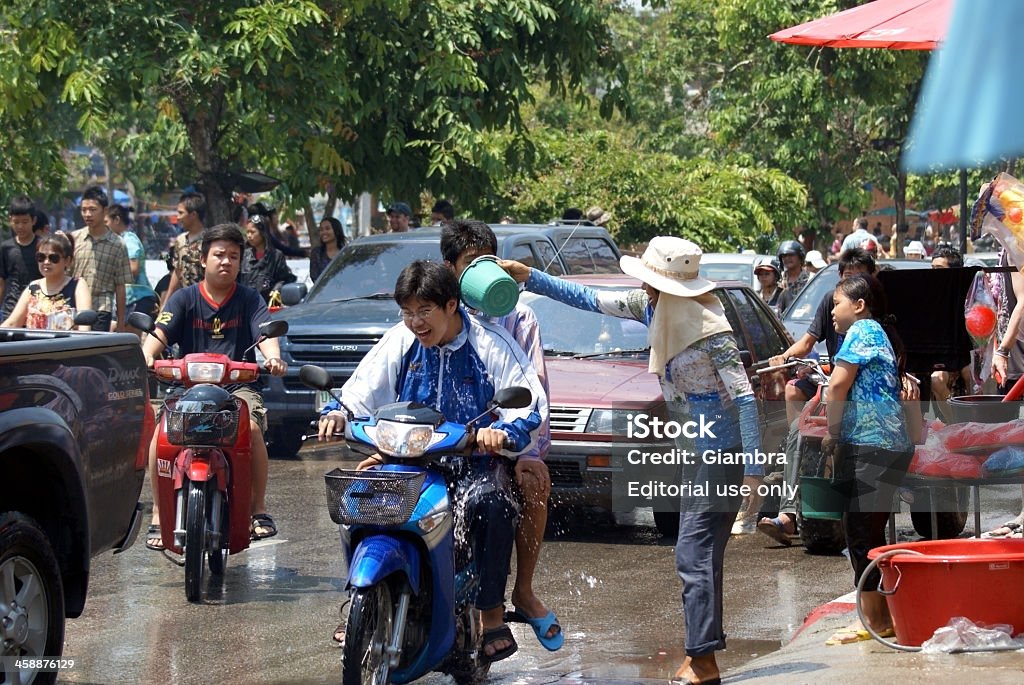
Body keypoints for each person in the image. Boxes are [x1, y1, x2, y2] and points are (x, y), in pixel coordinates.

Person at [499, 237, 760, 685]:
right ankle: (702, 656)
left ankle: (704, 661)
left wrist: (754, 470)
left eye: (651, 281)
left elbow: (746, 399)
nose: (644, 287)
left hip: (718, 453)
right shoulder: (652, 309)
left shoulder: (712, 333)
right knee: (702, 556)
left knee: (693, 553)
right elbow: (589, 299)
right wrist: (531, 277)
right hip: (693, 449)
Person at [317, 260, 548, 664]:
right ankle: (361, 600)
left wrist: (503, 432)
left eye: (424, 311)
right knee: (359, 500)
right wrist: (336, 413)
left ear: (452, 305)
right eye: (407, 311)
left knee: (492, 506)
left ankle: (491, 612)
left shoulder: (491, 343)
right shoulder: (398, 341)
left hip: (473, 464)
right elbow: (357, 391)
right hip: (406, 461)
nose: (415, 321)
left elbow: (531, 404)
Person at [440, 219, 562, 649]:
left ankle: (523, 591)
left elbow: (535, 395)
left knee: (534, 483)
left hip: (501, 441)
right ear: (449, 268)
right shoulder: (431, 313)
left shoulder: (519, 316)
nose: (480, 272)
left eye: (487, 262)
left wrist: (528, 451)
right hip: (436, 442)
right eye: (470, 264)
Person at [143, 224, 287, 550]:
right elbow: (159, 333)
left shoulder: (250, 299)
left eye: (233, 256)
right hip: (185, 387)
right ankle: (157, 511)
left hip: (237, 389)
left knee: (250, 428)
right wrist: (147, 355)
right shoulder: (183, 298)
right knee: (160, 434)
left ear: (240, 262)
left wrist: (273, 358)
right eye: (219, 255)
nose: (226, 262)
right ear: (204, 258)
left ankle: (258, 509)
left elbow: (266, 334)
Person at [823, 274, 920, 645]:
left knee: (861, 533)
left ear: (859, 305)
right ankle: (878, 616)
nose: (832, 311)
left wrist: (832, 435)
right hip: (884, 445)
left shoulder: (862, 330)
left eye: (837, 303)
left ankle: (876, 622)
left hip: (873, 445)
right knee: (867, 532)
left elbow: (836, 385)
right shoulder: (878, 332)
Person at [758, 248, 876, 545]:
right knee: (800, 425)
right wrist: (783, 357)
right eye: (845, 280)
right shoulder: (833, 311)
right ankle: (789, 512)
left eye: (858, 279)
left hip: (865, 408)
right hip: (835, 388)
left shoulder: (871, 329)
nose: (836, 308)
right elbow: (809, 342)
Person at [71, 186, 132, 332]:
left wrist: (121, 322)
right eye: (83, 210)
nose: (87, 214)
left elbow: (120, 286)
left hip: (102, 309)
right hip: (75, 307)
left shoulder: (118, 244)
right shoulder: (73, 239)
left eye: (92, 209)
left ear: (104, 211)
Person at [2, 231, 91, 330]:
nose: (46, 262)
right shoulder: (33, 287)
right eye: (41, 257)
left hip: (67, 345)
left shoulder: (77, 285)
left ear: (67, 261)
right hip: (34, 345)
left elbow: (85, 328)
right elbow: (12, 323)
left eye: (53, 258)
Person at [106, 204, 159, 330]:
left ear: (117, 220)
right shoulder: (115, 241)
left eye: (106, 221)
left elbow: (133, 269)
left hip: (138, 299)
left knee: (130, 341)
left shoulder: (129, 240)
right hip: (126, 301)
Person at [161, 191, 207, 308]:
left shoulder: (210, 240)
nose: (178, 217)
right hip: (186, 303)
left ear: (193, 215)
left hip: (206, 303)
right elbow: (177, 272)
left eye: (181, 213)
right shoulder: (180, 240)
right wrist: (166, 304)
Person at [0, 195, 42, 320]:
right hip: (11, 309)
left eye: (24, 222)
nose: (20, 226)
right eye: (16, 222)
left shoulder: (42, 246)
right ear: (10, 220)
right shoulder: (5, 248)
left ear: (33, 221)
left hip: (37, 307)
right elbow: (1, 281)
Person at [240, 212, 296, 303]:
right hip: (245, 306)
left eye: (253, 232)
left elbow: (285, 278)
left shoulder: (276, 256)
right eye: (247, 232)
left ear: (263, 233)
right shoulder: (243, 256)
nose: (249, 236)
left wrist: (276, 290)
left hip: (268, 306)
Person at [775, 240, 809, 313]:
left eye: (791, 255)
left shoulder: (811, 279)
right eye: (784, 256)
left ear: (800, 257)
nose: (787, 258)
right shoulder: (778, 280)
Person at [310, 217, 345, 282]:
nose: (324, 232)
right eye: (321, 229)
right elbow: (315, 278)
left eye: (327, 229)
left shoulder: (346, 252)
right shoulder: (317, 253)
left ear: (336, 231)